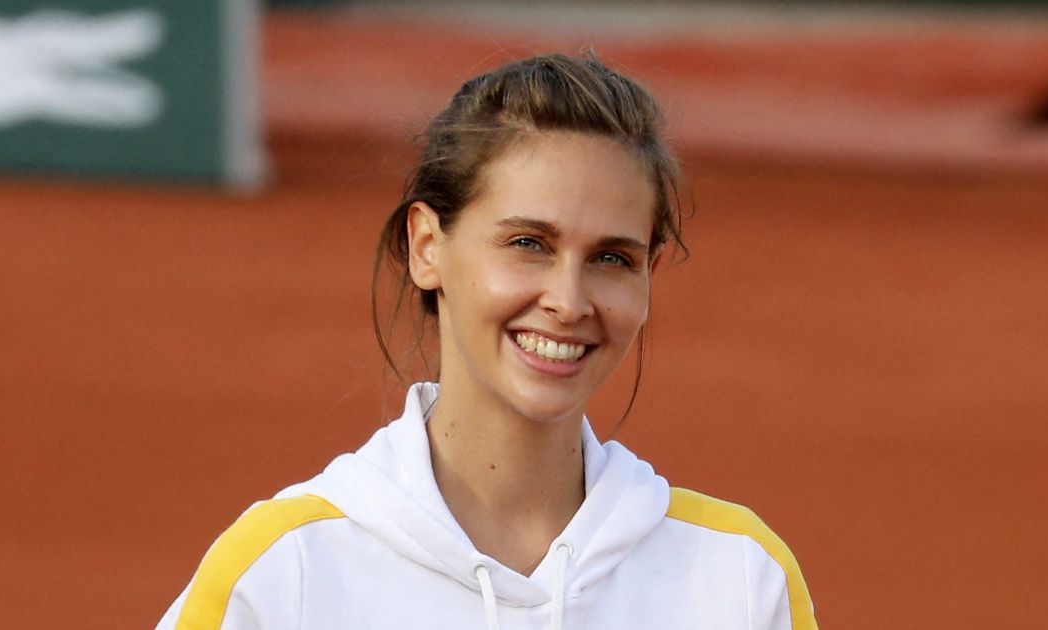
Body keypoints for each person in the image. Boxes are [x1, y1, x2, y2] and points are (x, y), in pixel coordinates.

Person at [156, 52, 817, 630]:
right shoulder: (285, 574)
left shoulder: (737, 582)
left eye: (613, 258)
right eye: (528, 244)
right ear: (426, 248)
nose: (568, 300)